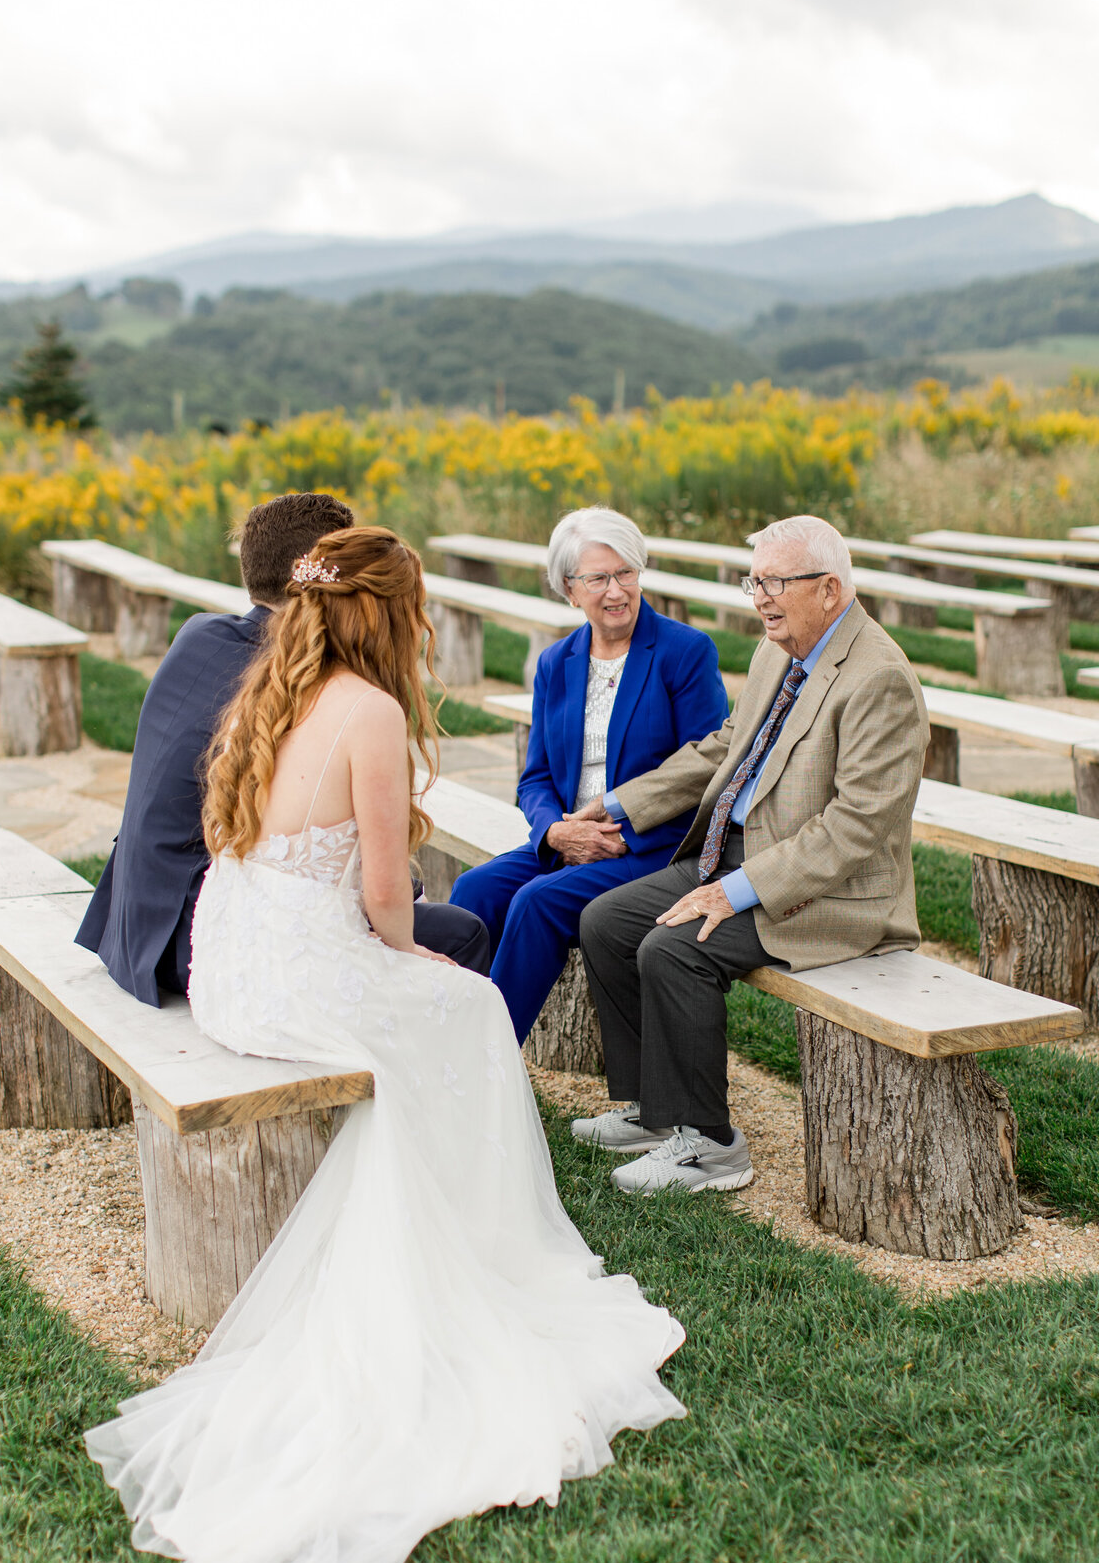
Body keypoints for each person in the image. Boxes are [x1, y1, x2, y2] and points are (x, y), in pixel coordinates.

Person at [84, 526, 685, 1563]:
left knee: (446, 1007)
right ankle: (486, 1253)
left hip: (230, 957)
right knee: (464, 1014)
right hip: (298, 965)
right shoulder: (369, 709)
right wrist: (410, 961)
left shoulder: (273, 681)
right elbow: (380, 904)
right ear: (391, 615)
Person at [571, 514, 929, 1195]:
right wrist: (620, 804)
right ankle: (656, 1111)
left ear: (828, 589)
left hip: (834, 895)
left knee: (673, 948)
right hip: (739, 855)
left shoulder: (878, 678)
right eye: (754, 581)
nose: (760, 597)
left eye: (775, 582)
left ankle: (711, 1146)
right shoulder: (779, 648)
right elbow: (725, 745)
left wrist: (734, 891)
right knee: (606, 922)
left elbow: (855, 829)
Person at [75, 491, 489, 1004]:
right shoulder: (291, 678)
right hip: (192, 936)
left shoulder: (199, 632)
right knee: (460, 932)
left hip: (129, 918)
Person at [450, 508, 726, 1043]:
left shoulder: (685, 652)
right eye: (598, 578)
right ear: (569, 590)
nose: (617, 591)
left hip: (648, 847)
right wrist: (556, 833)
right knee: (474, 889)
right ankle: (440, 1029)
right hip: (568, 839)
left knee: (536, 903)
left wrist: (619, 832)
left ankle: (486, 1057)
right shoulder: (557, 662)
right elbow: (534, 779)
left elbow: (706, 770)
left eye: (627, 573)